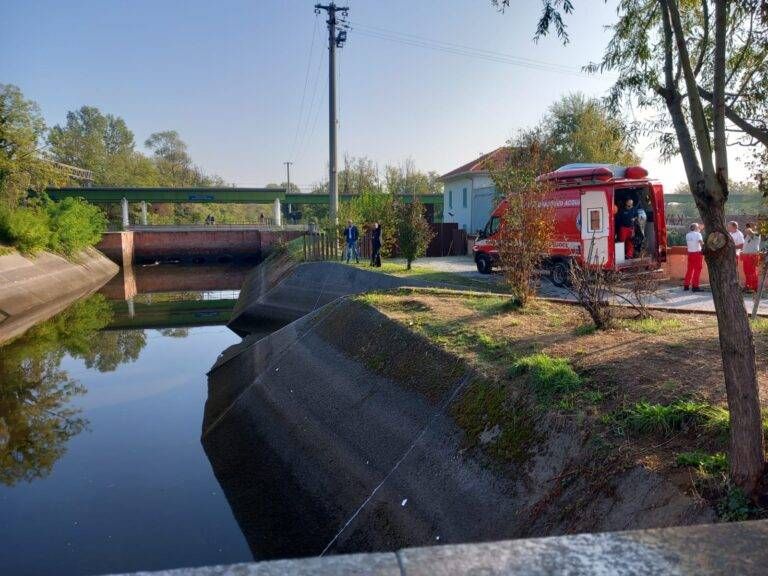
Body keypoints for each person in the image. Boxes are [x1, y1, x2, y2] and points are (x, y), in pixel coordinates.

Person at [684, 222, 704, 292]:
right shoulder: (698, 234)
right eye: (698, 227)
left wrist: (699, 230)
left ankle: (686, 285)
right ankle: (695, 286)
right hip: (697, 253)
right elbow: (700, 241)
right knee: (697, 270)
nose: (699, 228)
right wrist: (704, 247)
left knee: (690, 269)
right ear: (695, 228)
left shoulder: (687, 235)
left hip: (690, 253)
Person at [742, 222, 761, 293]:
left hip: (752, 256)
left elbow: (749, 231)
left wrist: (751, 227)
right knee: (746, 272)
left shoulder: (756, 234)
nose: (747, 227)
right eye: (747, 226)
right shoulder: (748, 235)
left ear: (755, 227)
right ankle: (748, 286)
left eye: (750, 226)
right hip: (746, 256)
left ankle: (754, 287)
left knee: (752, 272)